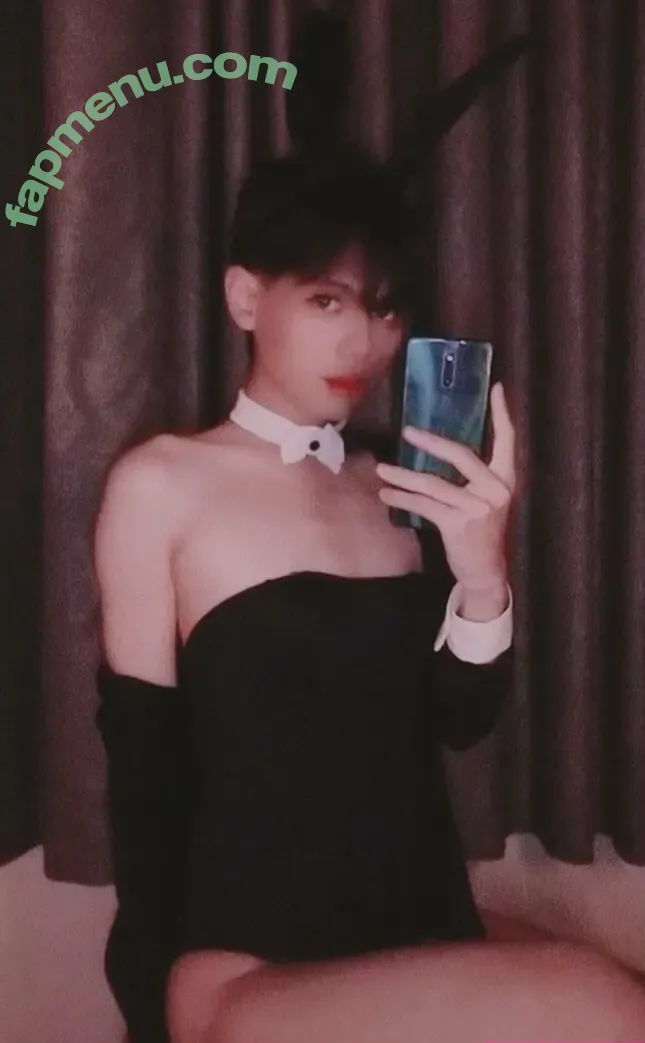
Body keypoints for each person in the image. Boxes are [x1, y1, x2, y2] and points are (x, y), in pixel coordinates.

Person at [94, 152, 645, 1043]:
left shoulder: (400, 480)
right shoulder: (158, 484)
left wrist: (482, 575)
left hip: (414, 926)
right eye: (327, 301)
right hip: (244, 960)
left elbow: (459, 718)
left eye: (386, 308)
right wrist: (155, 1013)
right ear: (245, 297)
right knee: (606, 1005)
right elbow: (144, 781)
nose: (364, 341)